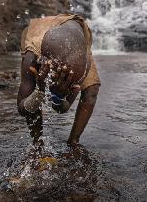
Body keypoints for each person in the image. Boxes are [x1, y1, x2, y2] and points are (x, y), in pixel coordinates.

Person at [17, 14, 101, 149]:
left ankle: (73, 142)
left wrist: (58, 98)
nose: (71, 82)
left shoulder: (83, 65)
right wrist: (40, 91)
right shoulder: (33, 55)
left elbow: (63, 109)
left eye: (72, 80)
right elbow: (22, 109)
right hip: (40, 32)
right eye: (65, 78)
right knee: (32, 82)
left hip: (76, 35)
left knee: (92, 89)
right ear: (43, 62)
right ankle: (37, 144)